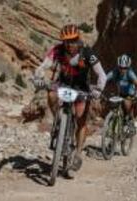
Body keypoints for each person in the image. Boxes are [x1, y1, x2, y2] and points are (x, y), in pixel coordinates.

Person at [33, 24, 107, 169]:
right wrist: (38, 76)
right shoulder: (58, 50)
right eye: (66, 41)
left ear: (78, 38)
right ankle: (59, 120)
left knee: (80, 120)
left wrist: (98, 90)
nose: (70, 44)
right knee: (52, 94)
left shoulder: (87, 52)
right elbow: (44, 65)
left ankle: (78, 153)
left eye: (73, 40)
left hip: (82, 88)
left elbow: (101, 74)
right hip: (63, 83)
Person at [106, 54, 137, 124]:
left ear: (128, 67)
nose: (123, 70)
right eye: (121, 67)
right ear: (118, 66)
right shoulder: (115, 72)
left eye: (125, 68)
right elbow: (105, 79)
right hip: (120, 94)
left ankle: (129, 120)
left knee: (126, 104)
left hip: (130, 95)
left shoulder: (130, 73)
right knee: (111, 103)